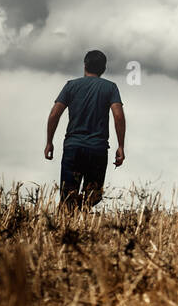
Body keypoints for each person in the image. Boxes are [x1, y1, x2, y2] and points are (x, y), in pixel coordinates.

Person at [45, 50, 125, 209]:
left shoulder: (71, 86)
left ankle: (68, 226)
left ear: (85, 65)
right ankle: (81, 220)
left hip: (73, 148)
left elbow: (54, 114)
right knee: (93, 196)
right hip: (98, 149)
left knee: (68, 196)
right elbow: (119, 116)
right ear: (103, 68)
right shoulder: (110, 88)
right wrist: (121, 146)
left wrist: (49, 142)